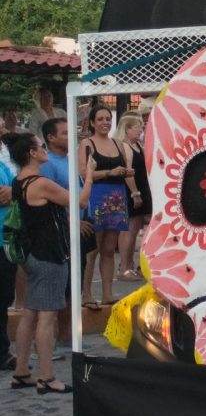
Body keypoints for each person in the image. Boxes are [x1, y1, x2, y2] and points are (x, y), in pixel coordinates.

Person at [9, 132, 95, 394]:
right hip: (49, 255)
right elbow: (79, 201)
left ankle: (22, 370)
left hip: (33, 254)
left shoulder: (19, 181)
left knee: (31, 313)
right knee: (46, 316)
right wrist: (89, 174)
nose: (45, 150)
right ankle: (46, 376)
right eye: (41, 147)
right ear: (31, 153)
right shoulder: (40, 183)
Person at [76, 106, 138, 307]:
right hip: (96, 196)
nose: (105, 122)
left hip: (116, 197)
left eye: (108, 119)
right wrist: (109, 172)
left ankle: (108, 293)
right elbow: (83, 173)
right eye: (101, 119)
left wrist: (126, 173)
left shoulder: (118, 144)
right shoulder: (87, 143)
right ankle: (86, 294)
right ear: (93, 122)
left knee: (110, 249)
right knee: (92, 249)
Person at [113, 115, 150, 281]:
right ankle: (124, 266)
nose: (140, 129)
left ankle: (130, 264)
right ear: (127, 129)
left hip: (142, 187)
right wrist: (135, 193)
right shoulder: (126, 147)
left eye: (141, 126)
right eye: (136, 126)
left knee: (136, 229)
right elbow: (128, 173)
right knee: (129, 229)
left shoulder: (138, 145)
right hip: (133, 190)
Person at [0, 137, 15, 371]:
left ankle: (3, 352)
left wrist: (15, 191)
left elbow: (14, 188)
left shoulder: (4, 161)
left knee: (3, 298)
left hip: (6, 238)